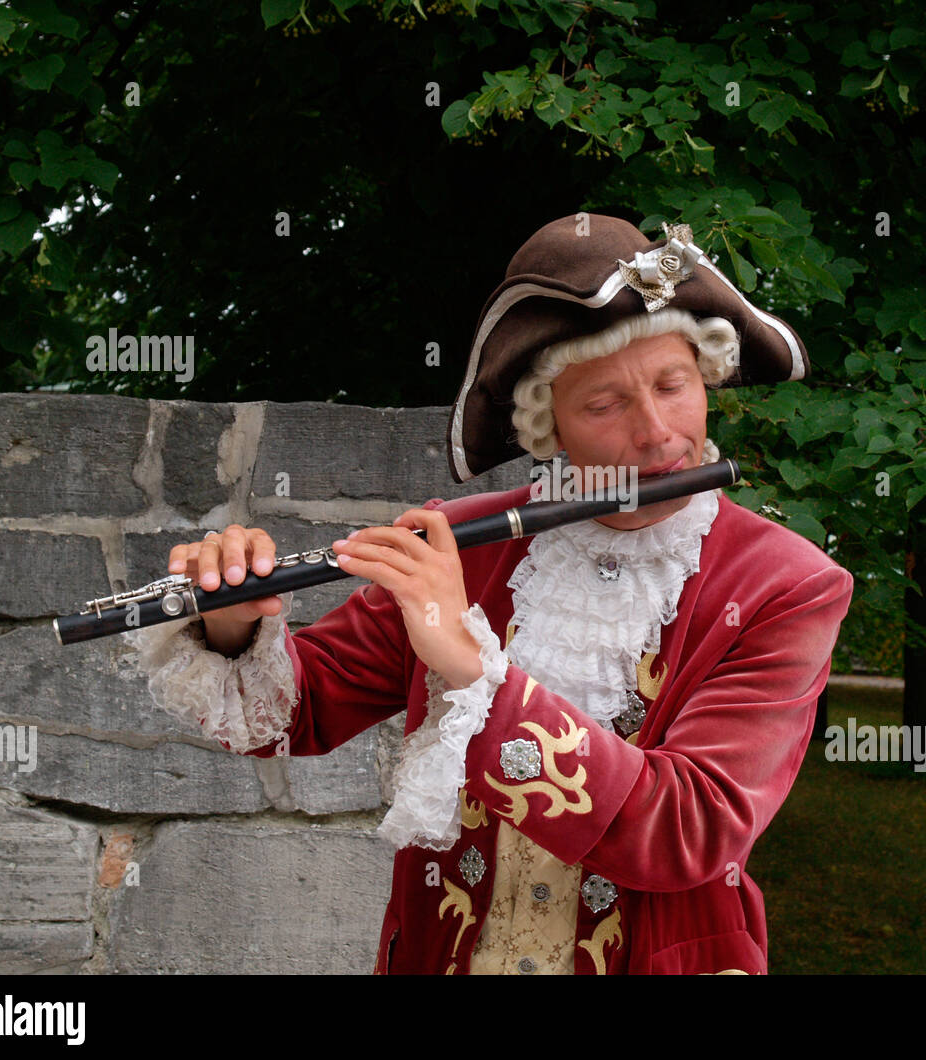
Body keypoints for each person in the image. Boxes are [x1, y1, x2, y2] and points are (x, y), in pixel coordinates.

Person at [126, 214, 854, 974]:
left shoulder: (787, 586)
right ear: (550, 427)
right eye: (604, 405)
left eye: (674, 385)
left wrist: (475, 671)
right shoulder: (459, 541)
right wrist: (233, 624)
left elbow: (688, 827)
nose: (657, 433)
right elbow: (295, 714)